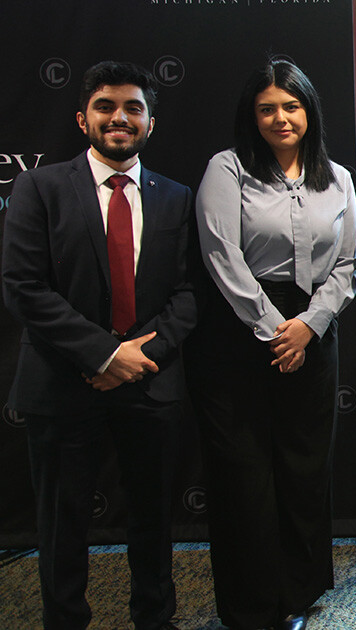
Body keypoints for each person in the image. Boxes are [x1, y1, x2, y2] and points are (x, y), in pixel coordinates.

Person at [2, 61, 196, 630]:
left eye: (134, 107)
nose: (119, 117)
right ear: (82, 117)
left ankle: (154, 619)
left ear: (151, 124)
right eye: (106, 106)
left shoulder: (176, 198)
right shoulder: (38, 187)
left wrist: (139, 358)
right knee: (62, 526)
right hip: (63, 384)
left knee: (153, 521)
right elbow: (24, 288)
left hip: (150, 383)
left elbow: (188, 295)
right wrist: (105, 355)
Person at [191, 59, 356, 630]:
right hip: (241, 335)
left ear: (308, 112)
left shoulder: (337, 178)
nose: (280, 118)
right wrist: (273, 327)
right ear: (251, 115)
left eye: (291, 106)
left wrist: (309, 325)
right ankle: (251, 606)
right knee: (245, 476)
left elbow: (348, 265)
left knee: (303, 470)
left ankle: (296, 594)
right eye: (267, 108)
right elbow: (220, 254)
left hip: (314, 332)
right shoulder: (228, 168)